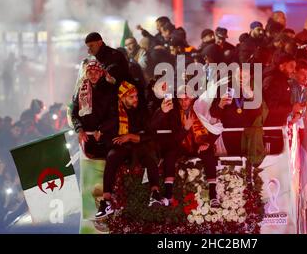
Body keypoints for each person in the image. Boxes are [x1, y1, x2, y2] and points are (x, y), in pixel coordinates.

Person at [96, 81, 165, 218]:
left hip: (139, 145)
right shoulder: (113, 113)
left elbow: (149, 133)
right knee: (112, 157)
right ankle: (106, 202)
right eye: (131, 97)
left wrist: (130, 136)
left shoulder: (141, 111)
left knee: (150, 158)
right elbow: (104, 136)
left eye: (136, 96)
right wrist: (116, 139)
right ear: (122, 98)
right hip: (122, 148)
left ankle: (155, 194)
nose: (135, 99)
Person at [151, 86, 220, 207]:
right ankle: (168, 194)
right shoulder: (174, 112)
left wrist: (207, 143)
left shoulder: (202, 108)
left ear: (192, 98)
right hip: (182, 146)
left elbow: (217, 127)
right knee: (170, 153)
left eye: (186, 99)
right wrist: (186, 128)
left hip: (200, 144)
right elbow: (174, 138)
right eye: (181, 100)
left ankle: (213, 195)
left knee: (209, 154)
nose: (183, 102)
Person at [71, 60, 118, 159]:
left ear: (101, 73)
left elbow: (114, 116)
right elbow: (74, 114)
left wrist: (101, 130)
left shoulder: (109, 89)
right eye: (90, 73)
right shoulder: (81, 90)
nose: (93, 76)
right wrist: (79, 130)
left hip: (105, 137)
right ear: (86, 74)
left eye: (96, 73)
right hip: (87, 138)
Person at [263, 52, 297, 126]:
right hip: (270, 128)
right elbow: (271, 107)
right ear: (282, 66)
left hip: (277, 126)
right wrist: (291, 108)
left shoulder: (282, 80)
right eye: (291, 66)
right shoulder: (274, 81)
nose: (294, 71)